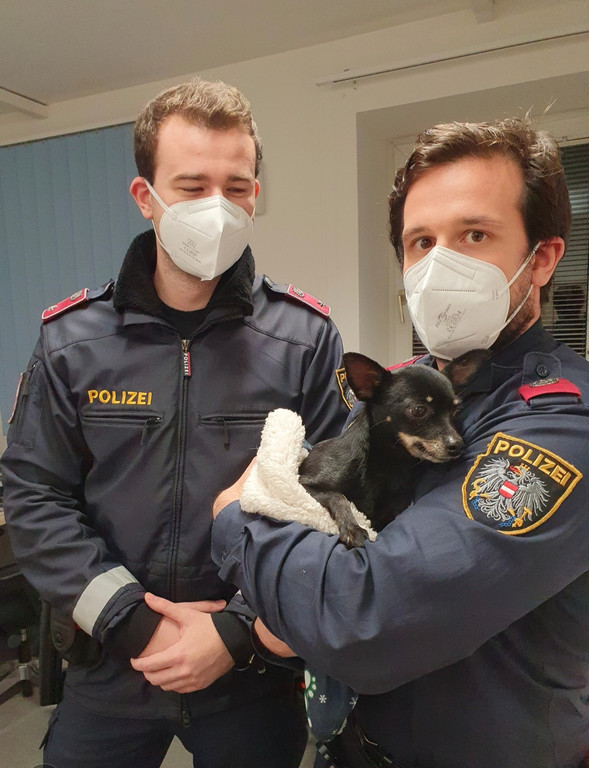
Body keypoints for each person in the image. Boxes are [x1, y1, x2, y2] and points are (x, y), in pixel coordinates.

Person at [210, 118, 589, 768]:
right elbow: (332, 521)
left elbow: (361, 620)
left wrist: (233, 518)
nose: (441, 264)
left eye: (474, 235)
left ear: (543, 258)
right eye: (421, 242)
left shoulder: (556, 424)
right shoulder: (413, 389)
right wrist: (247, 624)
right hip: (352, 745)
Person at [1, 78, 351, 768]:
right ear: (145, 196)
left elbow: (335, 500)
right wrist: (133, 622)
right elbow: (35, 496)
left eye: (237, 187)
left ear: (255, 194)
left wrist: (236, 631)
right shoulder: (73, 342)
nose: (217, 207)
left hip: (249, 672)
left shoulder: (304, 340)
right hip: (112, 662)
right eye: (192, 187)